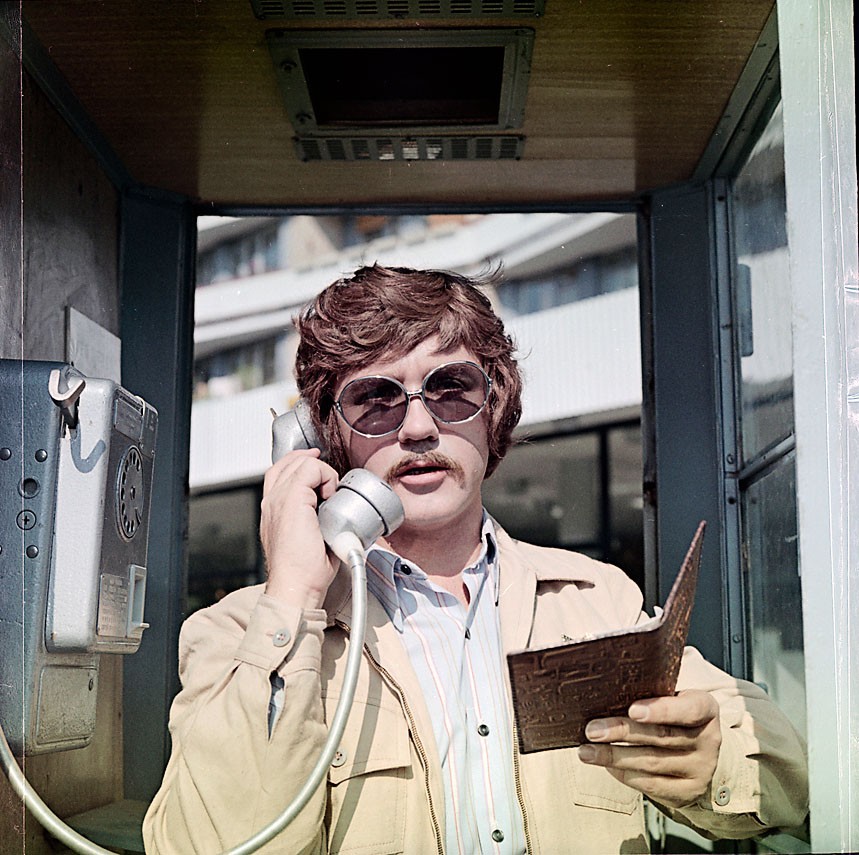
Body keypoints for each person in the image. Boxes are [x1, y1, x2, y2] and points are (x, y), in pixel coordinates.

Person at [143, 265, 807, 854]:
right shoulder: (240, 631)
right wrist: (292, 594)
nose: (418, 427)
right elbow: (207, 843)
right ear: (322, 436)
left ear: (495, 406)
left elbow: (791, 776)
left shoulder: (594, 600)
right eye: (375, 399)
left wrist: (713, 760)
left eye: (451, 388)